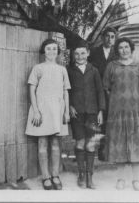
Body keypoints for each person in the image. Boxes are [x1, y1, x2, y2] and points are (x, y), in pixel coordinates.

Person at [102, 37, 139, 191]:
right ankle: (121, 179)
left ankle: (136, 180)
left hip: (135, 111)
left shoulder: (138, 66)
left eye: (126, 47)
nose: (124, 50)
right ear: (117, 50)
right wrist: (116, 101)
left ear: (131, 48)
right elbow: (106, 87)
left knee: (135, 143)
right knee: (119, 144)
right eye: (120, 47)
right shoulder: (111, 66)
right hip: (117, 111)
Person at [25, 38, 71, 190]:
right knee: (43, 143)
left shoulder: (62, 69)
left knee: (56, 144)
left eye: (54, 49)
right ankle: (45, 177)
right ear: (43, 51)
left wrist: (66, 111)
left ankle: (55, 175)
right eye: (48, 48)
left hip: (57, 110)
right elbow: (31, 89)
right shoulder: (38, 68)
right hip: (43, 110)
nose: (51, 51)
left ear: (58, 52)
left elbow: (65, 91)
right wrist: (36, 111)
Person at [67, 42, 106, 189]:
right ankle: (81, 174)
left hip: (92, 113)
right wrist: (69, 105)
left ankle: (90, 176)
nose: (79, 56)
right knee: (80, 143)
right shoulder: (69, 70)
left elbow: (100, 91)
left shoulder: (94, 70)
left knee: (91, 144)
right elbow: (66, 90)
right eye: (76, 53)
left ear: (88, 53)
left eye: (83, 53)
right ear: (73, 55)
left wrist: (101, 110)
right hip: (77, 112)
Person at [88, 27, 117, 161]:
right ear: (102, 37)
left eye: (112, 36)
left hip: (111, 92)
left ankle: (104, 151)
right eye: (107, 36)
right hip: (96, 91)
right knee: (96, 121)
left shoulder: (116, 53)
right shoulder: (94, 52)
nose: (109, 39)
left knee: (109, 121)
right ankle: (90, 151)